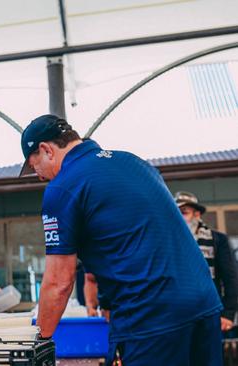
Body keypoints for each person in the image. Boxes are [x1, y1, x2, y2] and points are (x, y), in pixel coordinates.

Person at [22, 114, 222, 365]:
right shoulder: (134, 162)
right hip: (203, 302)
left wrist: (37, 344)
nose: (38, 175)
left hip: (151, 315)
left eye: (33, 166)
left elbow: (59, 281)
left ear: (46, 150)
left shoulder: (62, 187)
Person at [175, 191, 238, 333]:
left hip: (210, 310)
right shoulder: (169, 242)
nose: (179, 217)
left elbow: (231, 279)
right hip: (177, 315)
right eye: (176, 212)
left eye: (184, 212)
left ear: (197, 214)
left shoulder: (217, 240)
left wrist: (228, 314)